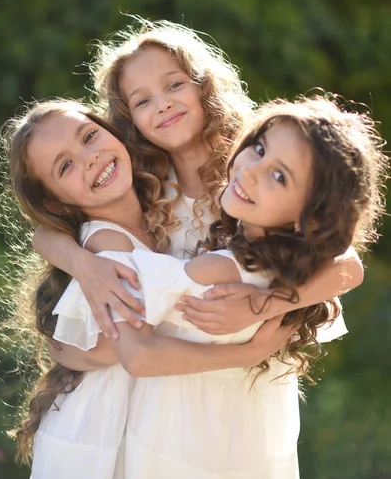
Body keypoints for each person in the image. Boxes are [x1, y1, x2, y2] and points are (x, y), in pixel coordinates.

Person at [50, 95, 387, 479]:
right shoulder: (291, 269)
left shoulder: (214, 270)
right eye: (260, 149)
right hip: (247, 437)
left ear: (311, 219)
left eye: (278, 176)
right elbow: (348, 265)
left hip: (178, 438)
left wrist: (69, 349)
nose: (249, 169)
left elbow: (127, 340)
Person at [0, 99, 295, 479]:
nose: (91, 157)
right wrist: (246, 355)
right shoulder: (107, 246)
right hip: (110, 426)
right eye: (65, 167)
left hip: (162, 421)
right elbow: (141, 356)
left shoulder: (158, 201)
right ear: (58, 202)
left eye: (89, 136)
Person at [33, 19, 364, 342]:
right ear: (130, 120)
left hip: (251, 372)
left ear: (203, 85)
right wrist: (83, 266)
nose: (163, 105)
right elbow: (48, 230)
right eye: (143, 101)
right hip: (177, 371)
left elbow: (347, 265)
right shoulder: (141, 182)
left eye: (174, 85)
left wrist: (258, 306)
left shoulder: (251, 166)